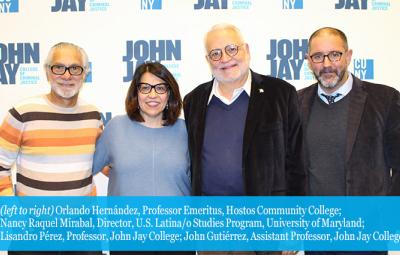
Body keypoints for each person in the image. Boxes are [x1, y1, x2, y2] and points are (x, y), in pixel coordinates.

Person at [183, 23, 305, 255]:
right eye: (215, 53)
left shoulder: (280, 93)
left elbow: (297, 163)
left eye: (232, 49)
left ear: (246, 50)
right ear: (208, 60)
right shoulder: (193, 100)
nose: (225, 59)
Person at [299, 27, 400, 255]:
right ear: (308, 60)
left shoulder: (384, 100)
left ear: (348, 55)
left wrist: (388, 220)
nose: (326, 64)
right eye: (318, 56)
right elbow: (289, 169)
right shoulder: (296, 103)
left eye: (335, 54)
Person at [0, 42, 103, 255]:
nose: (67, 75)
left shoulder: (93, 116)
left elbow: (104, 163)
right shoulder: (22, 113)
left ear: (85, 74)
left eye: (75, 68)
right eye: (59, 67)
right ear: (47, 72)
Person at [92, 62, 193, 255]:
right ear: (135, 93)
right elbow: (86, 169)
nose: (152, 95)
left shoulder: (187, 131)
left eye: (160, 88)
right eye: (145, 88)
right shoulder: (115, 128)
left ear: (169, 94)